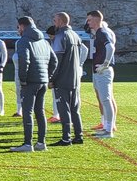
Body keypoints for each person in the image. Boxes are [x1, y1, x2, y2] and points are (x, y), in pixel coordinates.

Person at [11, 15, 57, 152]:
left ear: (22, 26)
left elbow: (24, 60)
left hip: (30, 82)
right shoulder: (44, 41)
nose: (18, 30)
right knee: (40, 112)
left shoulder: (23, 41)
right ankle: (41, 143)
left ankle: (27, 143)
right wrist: (47, 76)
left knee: (27, 112)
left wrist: (23, 79)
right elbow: (54, 61)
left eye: (18, 27)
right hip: (42, 82)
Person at [50, 12, 85, 145]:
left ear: (60, 21)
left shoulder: (61, 36)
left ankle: (66, 138)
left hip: (63, 79)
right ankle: (79, 135)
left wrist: (52, 78)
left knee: (64, 109)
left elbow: (56, 61)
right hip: (75, 78)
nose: (54, 23)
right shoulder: (75, 35)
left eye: (55, 21)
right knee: (75, 109)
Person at [86, 9, 118, 138]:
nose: (87, 23)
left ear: (96, 19)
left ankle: (108, 130)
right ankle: (106, 126)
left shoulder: (102, 32)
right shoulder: (99, 32)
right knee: (105, 99)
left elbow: (110, 47)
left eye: (89, 20)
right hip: (99, 70)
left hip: (103, 71)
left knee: (106, 99)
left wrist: (105, 63)